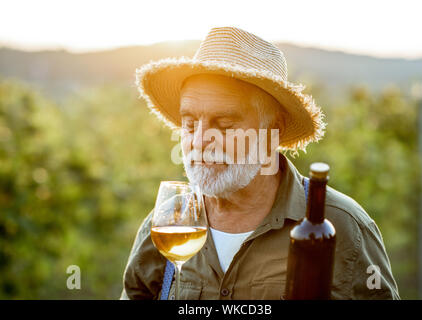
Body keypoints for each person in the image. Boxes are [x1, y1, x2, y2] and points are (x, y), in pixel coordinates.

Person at [120, 26, 400, 300]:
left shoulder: (343, 227)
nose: (200, 141)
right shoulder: (166, 224)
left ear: (272, 131)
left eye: (225, 125)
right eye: (190, 124)